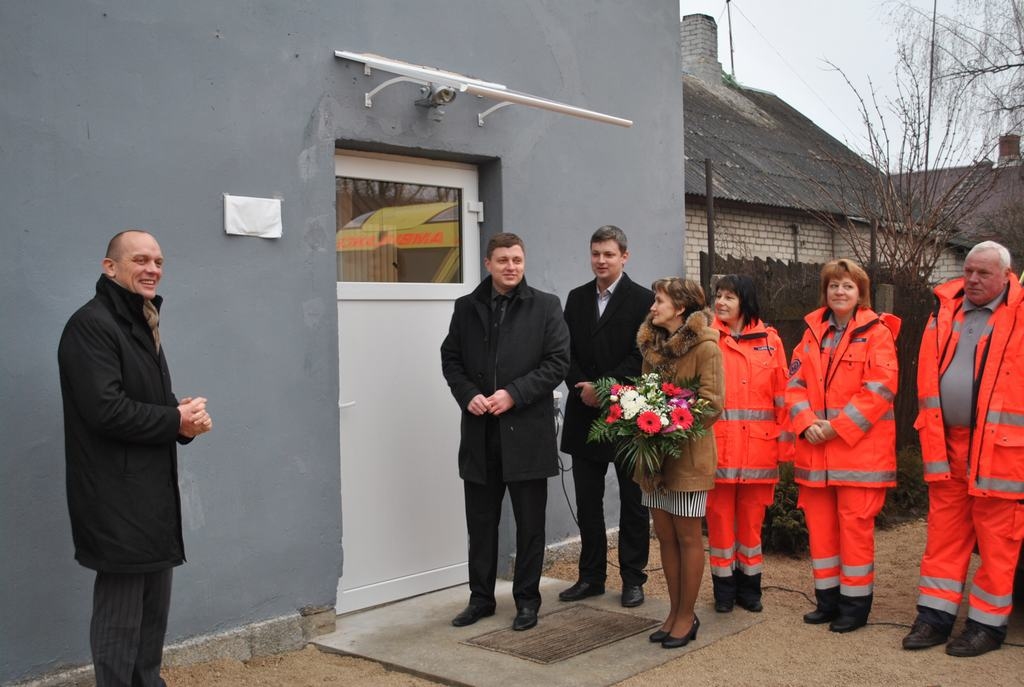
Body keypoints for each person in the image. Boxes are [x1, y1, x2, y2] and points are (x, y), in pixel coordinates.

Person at [58, 230, 213, 686]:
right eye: (141, 259)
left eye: (158, 261)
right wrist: (173, 419)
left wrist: (184, 420)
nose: (152, 269)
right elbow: (105, 410)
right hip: (116, 498)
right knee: (120, 621)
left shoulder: (141, 321)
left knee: (151, 617)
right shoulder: (91, 325)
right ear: (110, 267)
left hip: (150, 496)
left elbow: (148, 403)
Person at [440, 232, 570, 632]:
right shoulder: (466, 307)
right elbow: (450, 358)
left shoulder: (546, 306)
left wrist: (514, 394)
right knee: (481, 525)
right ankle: (480, 599)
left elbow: (558, 362)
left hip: (527, 435)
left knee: (530, 527)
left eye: (516, 260)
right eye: (502, 260)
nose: (510, 267)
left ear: (523, 262)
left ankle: (527, 601)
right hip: (480, 436)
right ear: (488, 264)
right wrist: (468, 395)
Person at [902, 241, 1024, 657]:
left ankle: (987, 626)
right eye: (968, 270)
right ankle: (934, 618)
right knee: (944, 536)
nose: (971, 279)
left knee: (997, 543)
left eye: (983, 273)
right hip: (947, 443)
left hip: (1002, 451)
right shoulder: (945, 309)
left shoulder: (1019, 315)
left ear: (1006, 275)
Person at [786, 258, 900, 634]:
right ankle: (827, 601)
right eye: (834, 285)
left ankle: (854, 606)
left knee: (854, 532)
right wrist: (806, 423)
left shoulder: (878, 333)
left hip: (858, 454)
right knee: (821, 531)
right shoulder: (811, 333)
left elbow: (880, 389)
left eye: (847, 286)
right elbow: (794, 384)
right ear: (826, 291)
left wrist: (836, 428)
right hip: (816, 453)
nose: (840, 291)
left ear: (860, 292)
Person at [558, 225, 654, 608]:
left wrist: (605, 388)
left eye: (609, 254)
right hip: (584, 413)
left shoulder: (644, 299)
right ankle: (591, 576)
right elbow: (563, 351)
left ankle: (633, 579)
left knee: (633, 503)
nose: (601, 261)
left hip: (628, 415)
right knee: (588, 503)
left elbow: (641, 355)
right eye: (596, 253)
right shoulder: (576, 298)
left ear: (624, 257)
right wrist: (583, 387)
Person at [635, 277, 724, 648]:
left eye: (659, 301)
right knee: (666, 536)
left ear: (680, 307)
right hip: (654, 460)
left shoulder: (706, 348)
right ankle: (673, 612)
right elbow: (645, 393)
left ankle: (687, 616)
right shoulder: (651, 347)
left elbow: (712, 404)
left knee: (687, 538)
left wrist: (670, 423)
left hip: (688, 457)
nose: (653, 307)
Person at [707, 274, 790, 614]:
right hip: (719, 450)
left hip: (759, 450)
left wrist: (785, 450)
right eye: (718, 295)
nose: (721, 302)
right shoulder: (708, 338)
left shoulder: (771, 342)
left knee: (752, 527)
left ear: (745, 301)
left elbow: (783, 398)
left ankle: (750, 590)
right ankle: (724, 592)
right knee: (719, 523)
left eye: (729, 296)